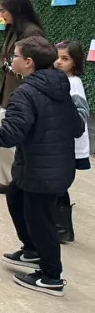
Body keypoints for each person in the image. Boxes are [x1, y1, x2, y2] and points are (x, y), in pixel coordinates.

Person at [0, 36, 83, 297]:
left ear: (28, 62)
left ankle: (51, 277)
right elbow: (77, 126)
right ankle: (31, 251)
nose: (11, 60)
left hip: (42, 171)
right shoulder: (59, 85)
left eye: (15, 56)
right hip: (47, 166)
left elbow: (9, 134)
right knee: (15, 197)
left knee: (41, 222)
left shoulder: (26, 93)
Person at [0, 0, 45, 195]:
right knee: (15, 139)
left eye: (3, 10)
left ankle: (15, 181)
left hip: (22, 94)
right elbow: (7, 57)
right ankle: (15, 180)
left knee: (2, 134)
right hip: (13, 93)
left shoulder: (33, 34)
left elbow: (34, 64)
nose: (1, 14)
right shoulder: (15, 29)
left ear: (16, 10)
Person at [53, 40, 90, 243]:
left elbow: (81, 115)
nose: (58, 62)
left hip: (70, 146)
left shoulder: (73, 83)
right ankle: (60, 227)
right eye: (57, 57)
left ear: (74, 62)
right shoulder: (59, 80)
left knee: (59, 185)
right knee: (58, 185)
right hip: (62, 144)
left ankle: (62, 228)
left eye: (64, 59)